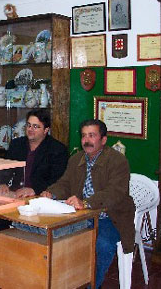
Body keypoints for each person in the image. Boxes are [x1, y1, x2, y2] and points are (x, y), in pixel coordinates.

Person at [41, 119, 135, 288]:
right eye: (84, 136)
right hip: (81, 215)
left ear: (103, 140)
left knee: (103, 245)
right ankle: (65, 282)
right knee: (58, 238)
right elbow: (65, 183)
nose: (87, 140)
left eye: (92, 136)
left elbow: (114, 193)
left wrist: (86, 202)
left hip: (111, 217)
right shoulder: (76, 159)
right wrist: (51, 192)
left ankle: (92, 285)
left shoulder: (117, 161)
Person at [0, 109, 68, 231]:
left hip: (38, 198)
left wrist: (34, 189)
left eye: (36, 126)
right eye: (28, 125)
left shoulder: (57, 150)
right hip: (15, 195)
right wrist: (2, 184)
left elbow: (57, 179)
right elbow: (6, 168)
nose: (30, 129)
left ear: (46, 130)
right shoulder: (16, 144)